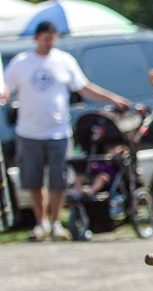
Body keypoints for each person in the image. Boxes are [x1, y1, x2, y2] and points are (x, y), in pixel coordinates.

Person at [4, 21, 130, 241]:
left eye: (53, 37)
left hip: (58, 132)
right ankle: (40, 223)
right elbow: (6, 87)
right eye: (46, 37)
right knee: (33, 180)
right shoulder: (21, 62)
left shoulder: (64, 60)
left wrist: (113, 98)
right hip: (29, 131)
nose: (50, 41)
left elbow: (84, 86)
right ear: (37, 38)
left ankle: (55, 223)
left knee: (59, 180)